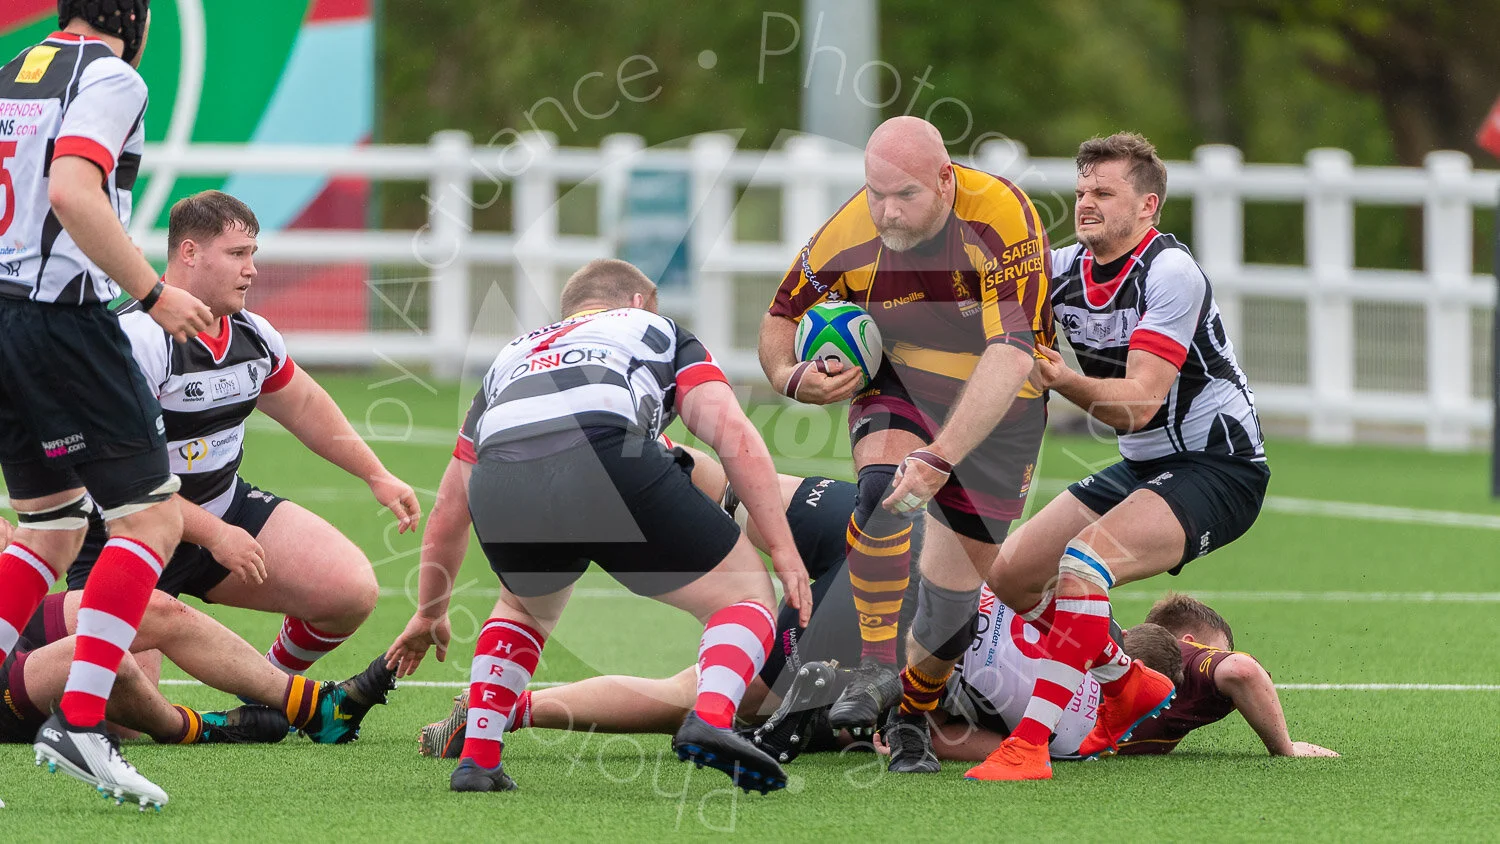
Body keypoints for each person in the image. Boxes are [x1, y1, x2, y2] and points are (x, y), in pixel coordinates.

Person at [385, 258, 812, 795]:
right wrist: (783, 548)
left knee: (520, 607)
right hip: (607, 452)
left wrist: (430, 612)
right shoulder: (656, 330)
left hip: (501, 476)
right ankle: (711, 718)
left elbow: (450, 507)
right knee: (745, 595)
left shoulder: (511, 357)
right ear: (637, 302)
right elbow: (730, 429)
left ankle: (477, 760)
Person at [970, 132, 1271, 781]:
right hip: (1147, 465)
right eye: (1081, 191)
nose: (1086, 203)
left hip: (1218, 467)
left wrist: (1062, 380)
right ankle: (1126, 680)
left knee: (1084, 564)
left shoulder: (1170, 272)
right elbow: (976, 306)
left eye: (1104, 191)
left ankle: (1030, 742)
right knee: (1013, 575)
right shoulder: (1062, 270)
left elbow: (1136, 403)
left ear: (1148, 207)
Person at [757, 115, 1053, 772]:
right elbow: (779, 317)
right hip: (897, 382)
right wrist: (790, 377)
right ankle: (871, 668)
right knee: (881, 492)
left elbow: (1012, 352)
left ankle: (911, 718)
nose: (886, 212)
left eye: (906, 196)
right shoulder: (848, 233)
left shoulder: (1001, 215)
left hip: (1001, 404)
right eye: (875, 193)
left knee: (951, 605)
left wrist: (942, 457)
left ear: (946, 181)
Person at [63, 190, 421, 678]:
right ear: (188, 253)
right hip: (127, 535)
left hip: (223, 510)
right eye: (237, 254)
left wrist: (376, 475)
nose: (251, 269)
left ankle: (270, 688)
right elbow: (124, 483)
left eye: (253, 254)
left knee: (350, 591)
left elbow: (306, 405)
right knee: (129, 715)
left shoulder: (254, 334)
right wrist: (216, 536)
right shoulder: (136, 339)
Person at [0, 1, 216, 809]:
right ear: (135, 17)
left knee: (51, 527)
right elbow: (71, 189)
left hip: (4, 315)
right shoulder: (112, 72)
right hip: (60, 321)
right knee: (153, 519)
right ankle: (81, 724)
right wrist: (153, 291)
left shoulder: (12, 75)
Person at [403, 444, 863, 759]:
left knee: (726, 488)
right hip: (890, 588)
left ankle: (644, 453)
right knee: (710, 693)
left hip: (869, 512)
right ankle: (509, 709)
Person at [1111, 595, 1337, 759]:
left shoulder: (1122, 647)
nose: (1217, 657)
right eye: (1217, 651)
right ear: (1189, 643)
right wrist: (1287, 749)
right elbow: (1241, 670)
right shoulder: (1184, 653)